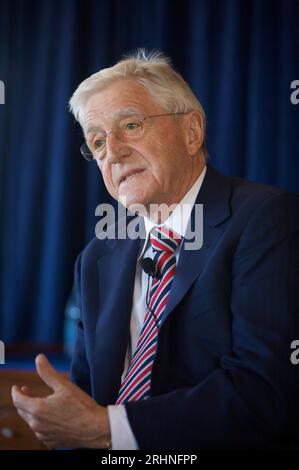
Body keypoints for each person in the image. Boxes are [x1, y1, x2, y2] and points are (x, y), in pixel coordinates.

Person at [12, 50, 299, 450]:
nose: (112, 151)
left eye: (130, 125)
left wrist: (108, 429)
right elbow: (84, 403)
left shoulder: (268, 219)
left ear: (192, 132)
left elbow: (265, 391)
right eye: (97, 142)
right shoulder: (97, 258)